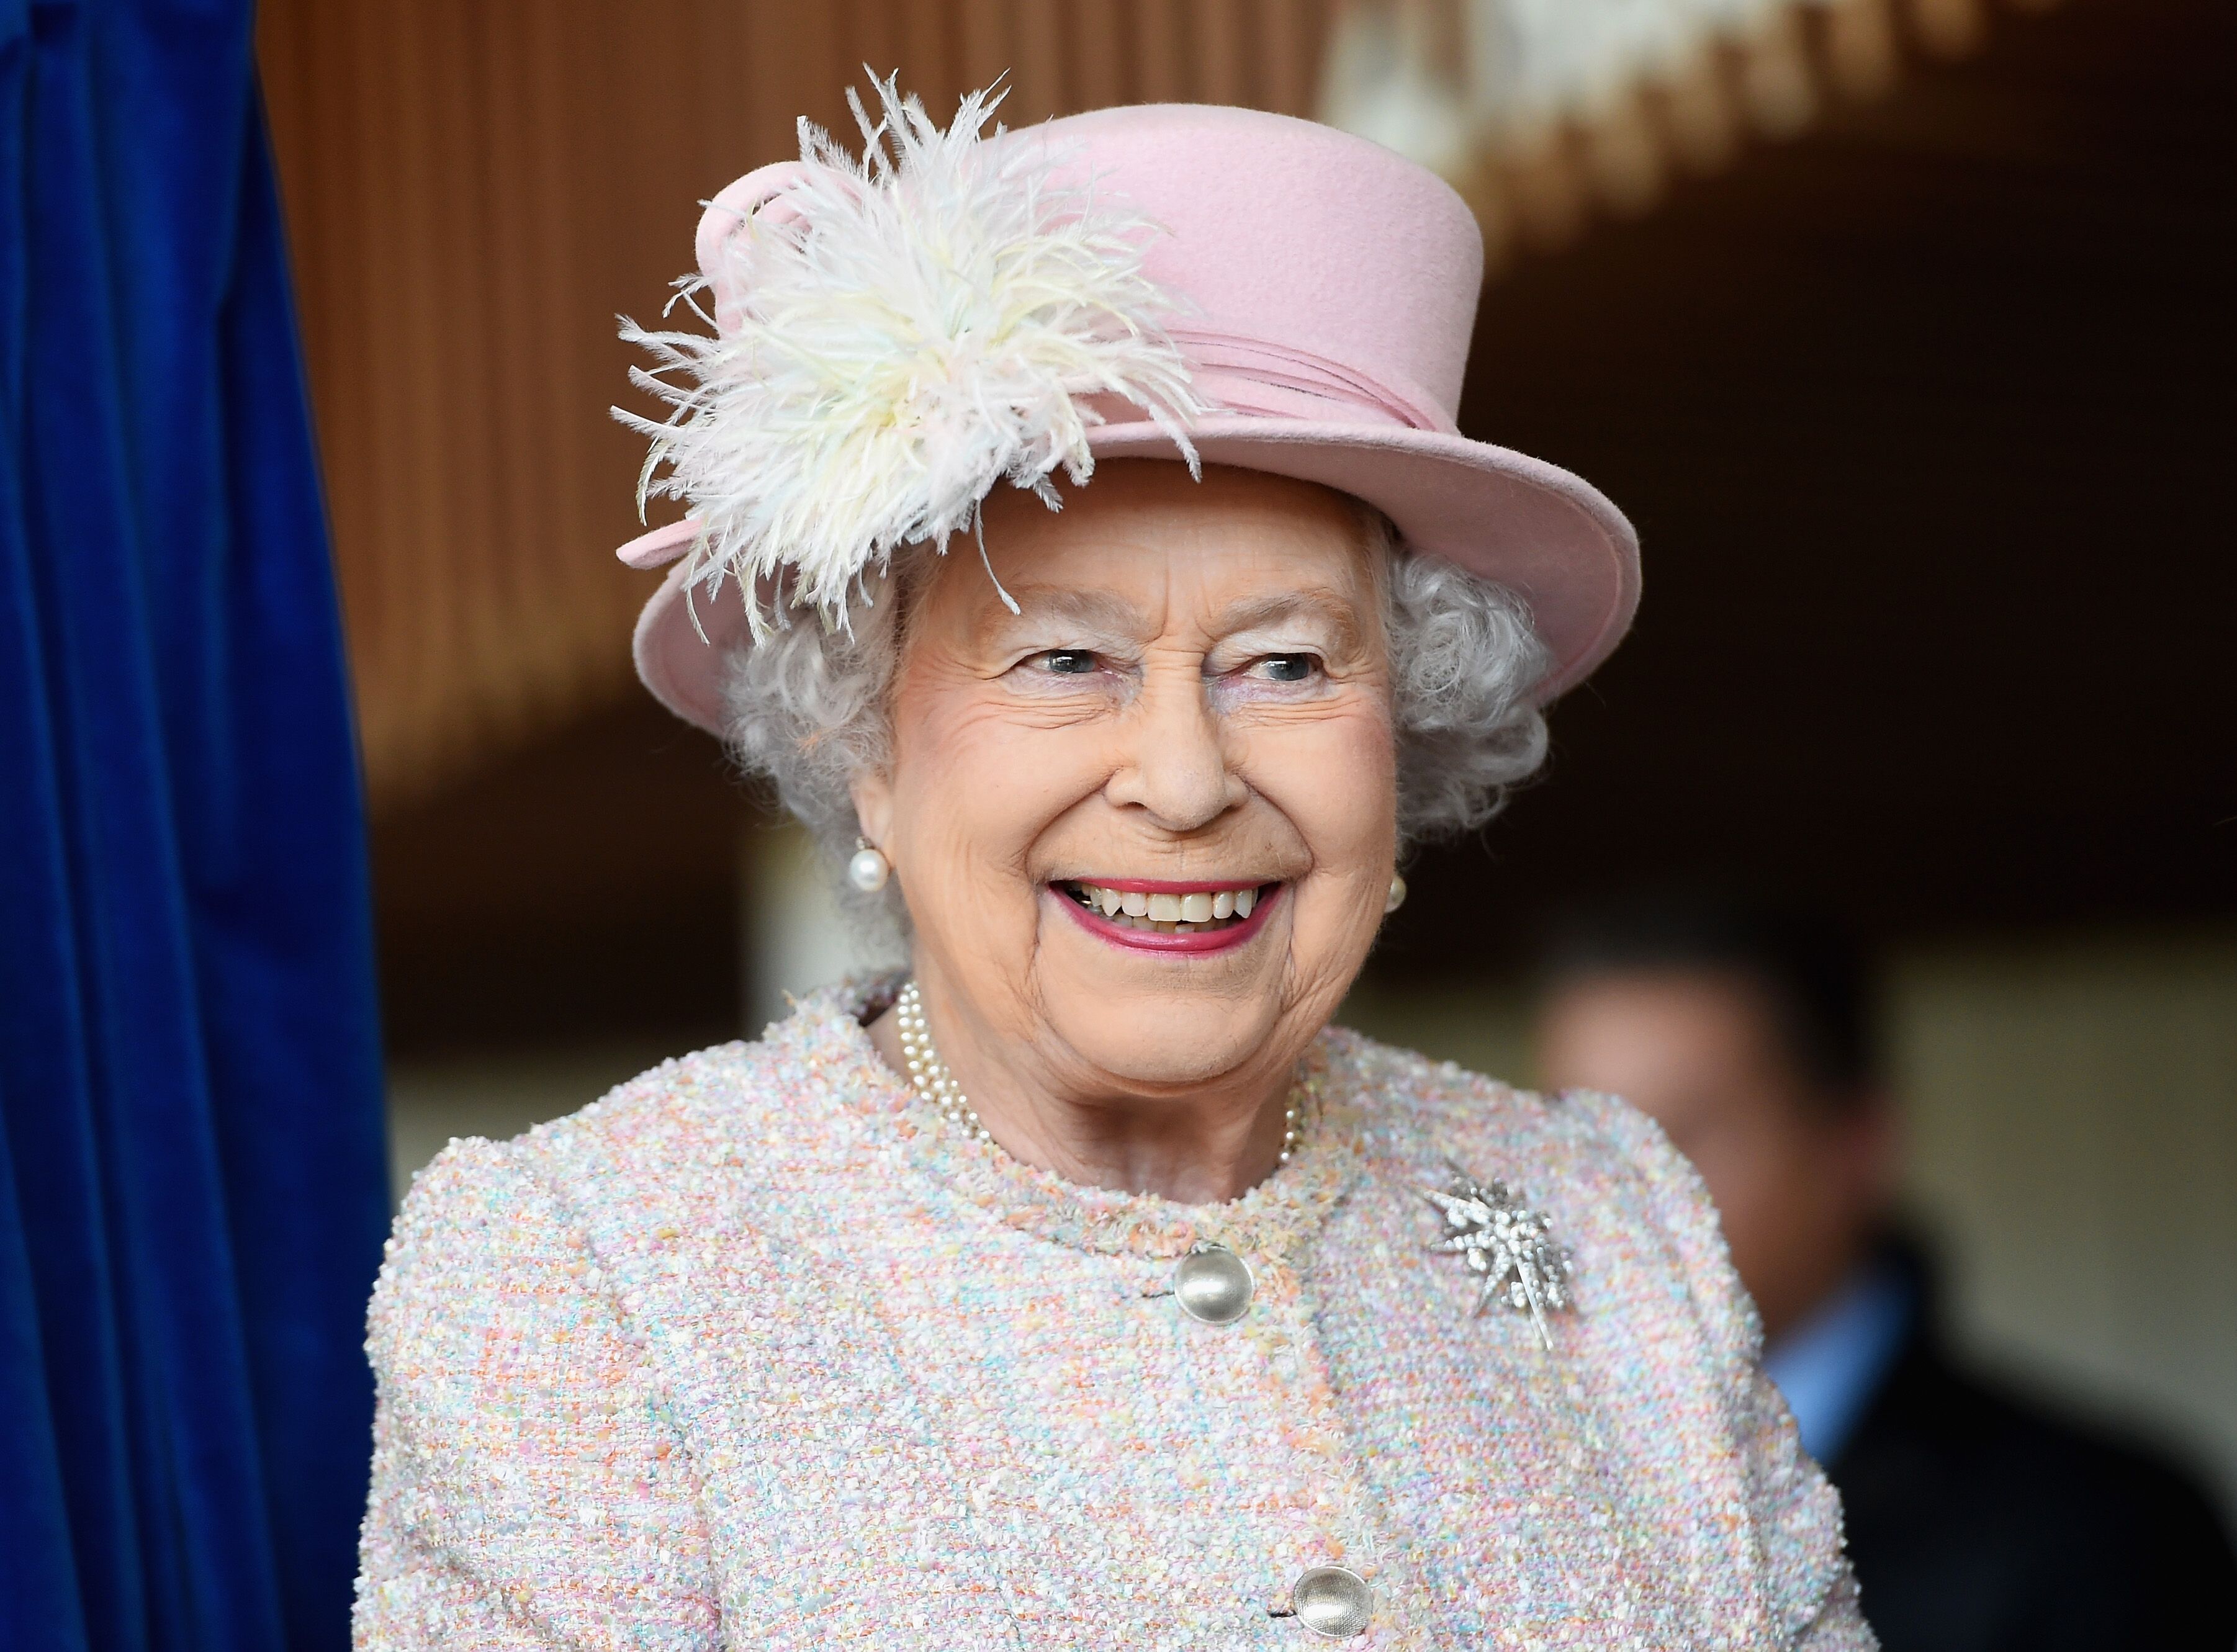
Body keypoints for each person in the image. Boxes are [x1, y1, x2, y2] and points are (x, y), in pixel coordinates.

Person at [351, 83, 1873, 1647]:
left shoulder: (1612, 1229)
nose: (1182, 777)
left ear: (1403, 736)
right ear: (862, 744)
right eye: (1062, 655)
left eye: (1284, 665)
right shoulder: (592, 1276)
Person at [1532, 891, 2237, 1651]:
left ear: (1856, 1145)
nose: (1606, 1191)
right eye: (1572, 1133)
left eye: (1686, 1130)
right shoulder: (1495, 1492)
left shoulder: (2102, 1529)